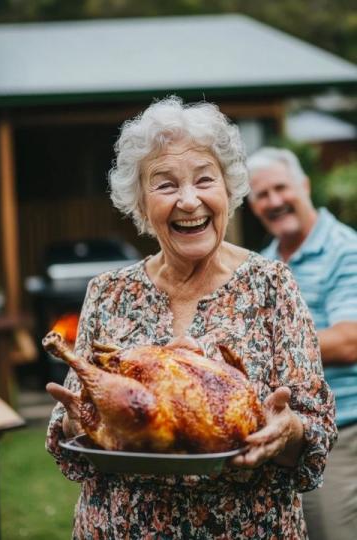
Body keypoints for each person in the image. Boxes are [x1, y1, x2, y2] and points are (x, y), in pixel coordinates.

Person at [46, 98, 336, 539]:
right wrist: (76, 419)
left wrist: (287, 430)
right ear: (141, 204)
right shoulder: (108, 293)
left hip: (248, 527)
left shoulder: (272, 285)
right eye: (165, 185)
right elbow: (74, 431)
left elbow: (313, 428)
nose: (189, 200)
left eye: (205, 179)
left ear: (228, 190)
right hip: (123, 527)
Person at [247, 146, 357, 540]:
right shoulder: (263, 264)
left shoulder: (345, 250)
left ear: (305, 185)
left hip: (340, 433)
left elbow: (349, 341)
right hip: (278, 436)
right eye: (262, 195)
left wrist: (265, 348)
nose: (274, 201)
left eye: (281, 188)